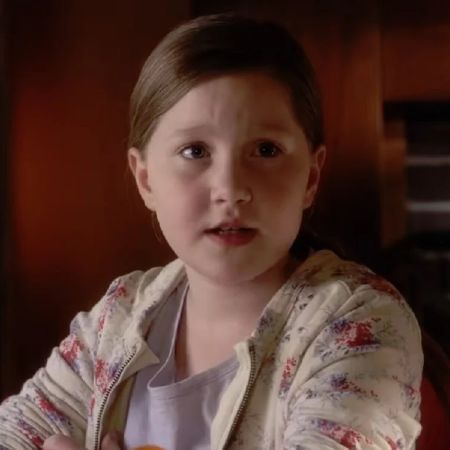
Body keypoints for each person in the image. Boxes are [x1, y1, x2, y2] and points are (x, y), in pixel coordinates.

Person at [0, 13, 423, 450]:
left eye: (266, 150)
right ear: (145, 179)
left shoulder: (359, 325)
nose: (231, 189)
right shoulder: (119, 318)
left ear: (311, 178)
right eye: (195, 151)